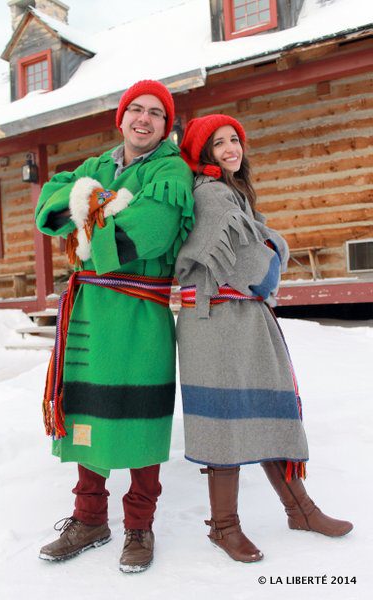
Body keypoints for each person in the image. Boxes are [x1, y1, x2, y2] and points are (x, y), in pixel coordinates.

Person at [175, 114, 353, 563]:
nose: (231, 148)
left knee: (265, 408)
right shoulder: (211, 195)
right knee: (225, 419)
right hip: (214, 321)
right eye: (219, 143)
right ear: (203, 153)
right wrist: (271, 250)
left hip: (242, 318)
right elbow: (255, 262)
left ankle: (301, 510)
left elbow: (260, 247)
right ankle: (224, 526)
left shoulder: (234, 194)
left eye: (235, 139)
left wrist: (268, 245)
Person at [35, 80, 194, 573]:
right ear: (120, 118)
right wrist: (90, 200)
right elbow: (50, 203)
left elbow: (147, 232)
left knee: (141, 414)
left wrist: (85, 213)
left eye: (155, 114)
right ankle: (89, 519)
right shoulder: (98, 167)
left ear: (166, 126)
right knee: (88, 411)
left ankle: (140, 527)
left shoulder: (171, 170)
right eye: (135, 110)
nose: (143, 119)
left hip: (138, 311)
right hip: (88, 314)